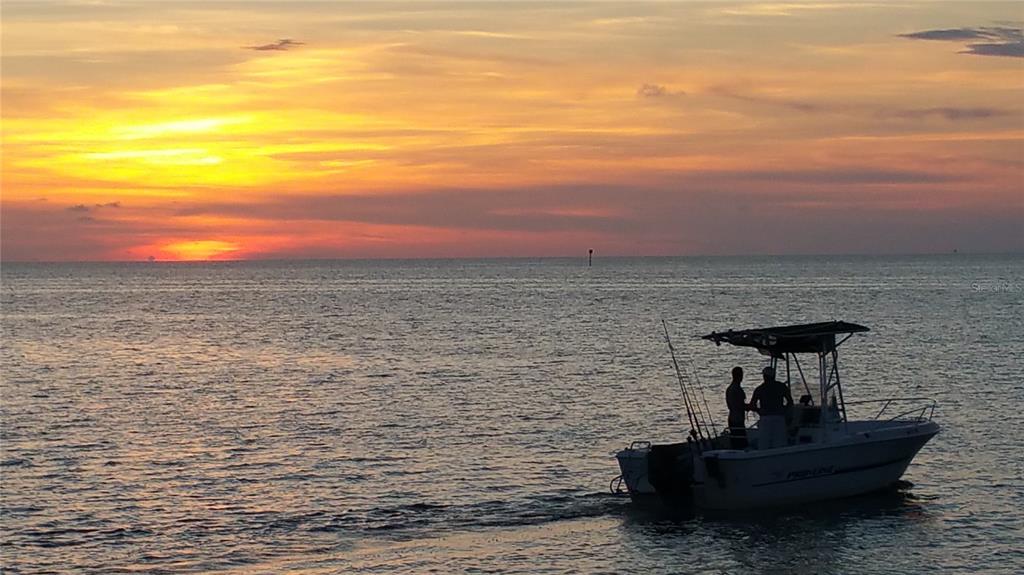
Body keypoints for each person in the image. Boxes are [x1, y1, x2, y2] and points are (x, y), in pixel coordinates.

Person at [750, 366, 793, 450]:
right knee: (780, 446)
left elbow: (752, 405)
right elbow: (790, 402)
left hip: (765, 419)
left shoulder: (760, 389)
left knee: (764, 446)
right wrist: (784, 411)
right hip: (779, 418)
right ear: (774, 376)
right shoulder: (781, 387)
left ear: (764, 376)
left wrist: (759, 411)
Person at [725, 366, 749, 449]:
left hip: (732, 418)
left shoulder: (730, 388)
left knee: (736, 441)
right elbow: (740, 405)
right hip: (737, 419)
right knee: (741, 444)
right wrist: (752, 407)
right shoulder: (736, 389)